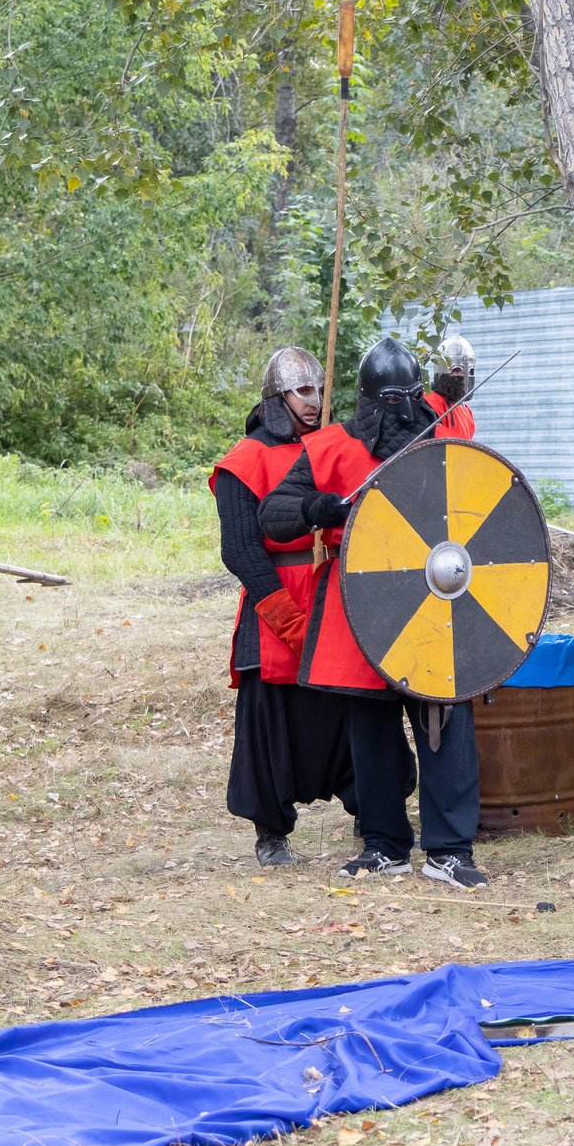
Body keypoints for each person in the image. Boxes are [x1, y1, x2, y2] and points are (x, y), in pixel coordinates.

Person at [258, 336, 488, 889]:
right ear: (367, 400)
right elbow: (273, 514)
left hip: (436, 599)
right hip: (362, 600)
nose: (398, 411)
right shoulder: (330, 449)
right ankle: (384, 844)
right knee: (371, 730)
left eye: (406, 399)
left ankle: (449, 850)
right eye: (388, 401)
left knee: (444, 724)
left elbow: (485, 506)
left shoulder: (444, 440)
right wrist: (316, 507)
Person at [213, 347, 356, 868]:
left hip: (331, 588)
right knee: (269, 720)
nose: (313, 400)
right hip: (274, 595)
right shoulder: (244, 459)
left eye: (318, 389)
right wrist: (283, 617)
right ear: (278, 397)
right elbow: (240, 549)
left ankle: (372, 815)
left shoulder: (329, 449)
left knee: (351, 706)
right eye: (302, 390)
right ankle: (271, 833)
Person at [426, 334, 478, 437]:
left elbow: (467, 444)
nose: (463, 376)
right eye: (456, 370)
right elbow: (439, 442)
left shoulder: (466, 410)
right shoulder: (429, 404)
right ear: (442, 371)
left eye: (468, 371)